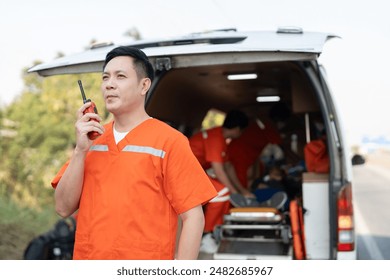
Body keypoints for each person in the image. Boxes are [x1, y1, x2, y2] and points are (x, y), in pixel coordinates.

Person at [51, 46, 217, 260]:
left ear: (144, 85)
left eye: (120, 76)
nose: (109, 84)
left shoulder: (170, 141)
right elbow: (63, 208)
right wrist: (80, 150)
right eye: (105, 77)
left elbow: (194, 218)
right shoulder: (91, 140)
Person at [188, 110, 251, 253]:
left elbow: (228, 167)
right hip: (183, 170)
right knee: (221, 193)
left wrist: (242, 191)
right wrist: (235, 193)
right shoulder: (215, 138)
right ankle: (206, 236)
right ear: (236, 129)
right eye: (242, 131)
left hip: (195, 170)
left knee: (225, 192)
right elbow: (218, 170)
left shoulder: (222, 138)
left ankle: (216, 231)